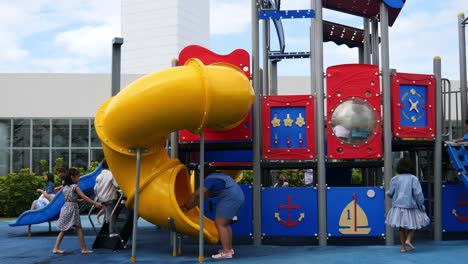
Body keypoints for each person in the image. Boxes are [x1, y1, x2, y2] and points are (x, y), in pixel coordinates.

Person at [181, 164, 244, 259]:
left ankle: (226, 252)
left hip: (230, 199)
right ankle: (229, 249)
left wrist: (186, 206)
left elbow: (197, 195)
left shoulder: (210, 179)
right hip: (238, 197)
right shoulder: (220, 176)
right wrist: (190, 206)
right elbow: (204, 196)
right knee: (225, 224)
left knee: (220, 224)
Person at [385, 158, 430, 253]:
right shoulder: (413, 178)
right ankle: (408, 240)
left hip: (398, 206)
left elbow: (391, 192)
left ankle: (403, 247)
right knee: (414, 224)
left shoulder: (395, 179)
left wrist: (387, 193)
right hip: (410, 205)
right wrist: (421, 205)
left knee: (401, 227)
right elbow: (418, 194)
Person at [53, 168, 101, 254]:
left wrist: (78, 200)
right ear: (72, 177)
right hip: (72, 209)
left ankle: (56, 248)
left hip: (65, 208)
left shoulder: (65, 187)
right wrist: (94, 203)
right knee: (79, 228)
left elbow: (68, 198)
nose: (79, 178)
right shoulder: (75, 187)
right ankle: (83, 249)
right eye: (78, 176)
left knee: (64, 229)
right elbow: (83, 196)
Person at [94, 159, 119, 237]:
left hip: (101, 198)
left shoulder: (99, 176)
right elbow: (116, 185)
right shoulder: (111, 174)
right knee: (112, 214)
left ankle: (106, 220)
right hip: (110, 197)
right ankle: (112, 232)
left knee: (107, 212)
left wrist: (97, 197)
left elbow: (95, 188)